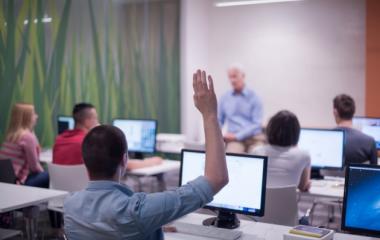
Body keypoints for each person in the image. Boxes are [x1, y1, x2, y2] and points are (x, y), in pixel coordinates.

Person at [64, 70, 229, 239]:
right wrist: (210, 115)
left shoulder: (69, 206)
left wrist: (155, 226)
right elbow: (216, 179)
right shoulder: (137, 211)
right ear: (124, 159)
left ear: (85, 162)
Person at [53, 103, 162, 169]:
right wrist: (150, 162)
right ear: (87, 121)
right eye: (95, 118)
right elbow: (124, 165)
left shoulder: (59, 140)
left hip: (65, 197)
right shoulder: (90, 143)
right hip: (90, 196)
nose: (98, 121)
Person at [252, 110, 311, 192]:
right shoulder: (304, 155)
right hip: (287, 204)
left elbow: (252, 182)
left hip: (260, 204)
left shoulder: (257, 151)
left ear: (270, 129)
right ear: (296, 132)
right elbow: (303, 186)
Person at [218, 64, 264, 153]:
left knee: (258, 156)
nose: (232, 80)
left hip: (254, 138)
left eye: (235, 76)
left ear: (243, 76)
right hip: (234, 140)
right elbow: (219, 120)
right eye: (230, 77)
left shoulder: (255, 97)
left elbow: (257, 124)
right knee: (232, 156)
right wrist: (217, 137)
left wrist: (237, 135)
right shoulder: (225, 98)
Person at [0, 103, 49, 188]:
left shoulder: (11, 135)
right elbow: (34, 167)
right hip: (17, 182)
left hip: (5, 181)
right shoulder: (27, 137)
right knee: (49, 175)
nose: (36, 116)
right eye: (34, 114)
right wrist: (44, 173)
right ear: (27, 118)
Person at [333, 94, 377, 165]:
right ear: (353, 112)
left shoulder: (324, 139)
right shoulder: (369, 141)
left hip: (328, 176)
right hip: (358, 176)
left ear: (335, 112)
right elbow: (374, 171)